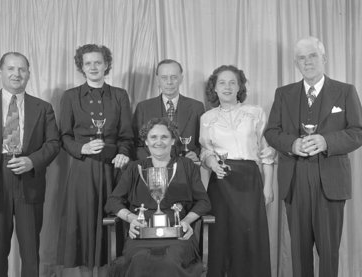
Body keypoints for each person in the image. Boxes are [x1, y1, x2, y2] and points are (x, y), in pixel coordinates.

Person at [264, 36, 362, 277]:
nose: (307, 61)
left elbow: (358, 132)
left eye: (312, 56)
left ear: (324, 58)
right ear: (296, 63)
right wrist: (292, 144)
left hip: (330, 181)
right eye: (301, 57)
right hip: (295, 180)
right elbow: (271, 132)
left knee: (329, 251)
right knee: (298, 251)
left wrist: (326, 141)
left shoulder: (345, 91)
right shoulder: (283, 94)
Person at [0, 52, 60, 277]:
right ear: (0, 72)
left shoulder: (43, 107)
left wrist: (32, 161)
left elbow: (54, 143)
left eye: (22, 69)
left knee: (30, 252)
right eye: (11, 69)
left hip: (30, 180)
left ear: (28, 74)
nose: (17, 74)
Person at [57, 44, 133, 269]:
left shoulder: (120, 95)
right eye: (88, 63)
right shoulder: (70, 96)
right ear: (81, 66)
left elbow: (127, 135)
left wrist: (122, 153)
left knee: (112, 220)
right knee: (83, 220)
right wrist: (82, 149)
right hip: (83, 169)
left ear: (106, 64)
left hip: (113, 169)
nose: (93, 67)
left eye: (98, 62)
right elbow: (64, 136)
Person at [105, 117, 211, 277]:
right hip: (141, 234)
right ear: (146, 142)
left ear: (173, 140)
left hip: (178, 234)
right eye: (153, 137)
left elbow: (203, 202)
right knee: (140, 259)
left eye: (164, 137)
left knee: (170, 260)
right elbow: (113, 202)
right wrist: (132, 218)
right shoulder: (135, 168)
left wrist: (186, 221)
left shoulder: (187, 166)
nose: (158, 142)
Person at [200, 65, 275, 277]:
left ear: (239, 87)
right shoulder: (206, 118)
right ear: (214, 88)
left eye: (233, 82)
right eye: (222, 82)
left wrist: (268, 186)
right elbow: (205, 151)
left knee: (250, 238)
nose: (227, 87)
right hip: (221, 182)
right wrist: (213, 164)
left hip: (250, 181)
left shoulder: (255, 113)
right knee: (221, 237)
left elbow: (267, 152)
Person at [132, 59, 204, 162]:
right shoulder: (143, 108)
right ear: (157, 80)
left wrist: (196, 154)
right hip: (153, 169)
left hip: (187, 169)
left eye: (174, 77)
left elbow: (203, 144)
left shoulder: (197, 107)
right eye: (164, 78)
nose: (169, 82)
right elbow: (136, 144)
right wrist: (149, 159)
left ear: (181, 79)